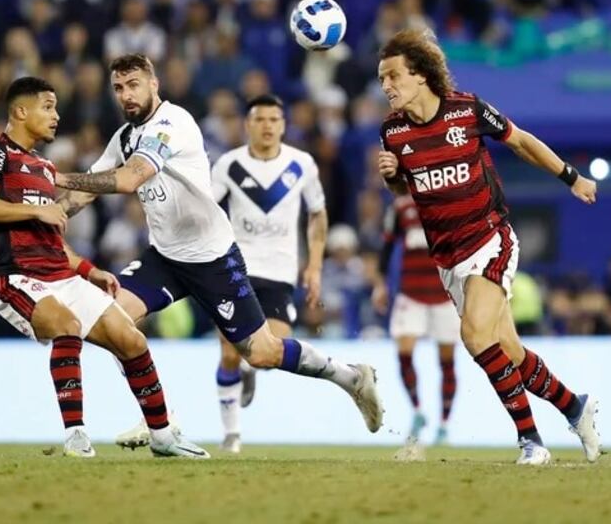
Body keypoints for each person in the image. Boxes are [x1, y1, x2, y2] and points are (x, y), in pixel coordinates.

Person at [53, 54, 383, 449]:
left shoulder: (172, 125)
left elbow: (128, 179)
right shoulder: (124, 136)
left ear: (154, 84)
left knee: (261, 354)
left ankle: (351, 377)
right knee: (110, 319)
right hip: (165, 257)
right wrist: (47, 209)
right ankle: (160, 421)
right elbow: (86, 190)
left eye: (134, 84)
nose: (126, 94)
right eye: (119, 87)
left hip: (212, 258)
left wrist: (54, 173)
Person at [376, 29, 600, 465]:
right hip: (448, 257)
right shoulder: (392, 133)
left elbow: (520, 141)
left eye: (393, 76)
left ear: (420, 75)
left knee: (474, 335)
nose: (386, 86)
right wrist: (391, 178)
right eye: (382, 79)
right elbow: (407, 190)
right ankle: (575, 405)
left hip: (489, 238)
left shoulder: (467, 110)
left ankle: (532, 442)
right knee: (508, 352)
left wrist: (571, 177)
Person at [0, 76, 208, 458]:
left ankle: (162, 435)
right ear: (20, 111)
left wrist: (88, 269)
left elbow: (50, 236)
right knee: (67, 326)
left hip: (60, 274)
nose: (56, 115)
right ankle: (76, 435)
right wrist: (36, 208)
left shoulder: (44, 167)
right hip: (16, 276)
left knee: (131, 340)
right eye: (48, 106)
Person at [204, 94, 328, 454]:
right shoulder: (229, 165)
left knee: (271, 354)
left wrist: (315, 265)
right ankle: (232, 436)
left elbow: (318, 214)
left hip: (279, 273)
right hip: (235, 270)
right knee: (229, 352)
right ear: (248, 124)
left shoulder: (301, 165)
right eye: (260, 119)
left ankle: (249, 373)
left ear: (284, 125)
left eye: (275, 119)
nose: (268, 126)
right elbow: (208, 210)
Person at [372, 194, 458, 446]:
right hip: (411, 294)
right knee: (404, 352)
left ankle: (443, 426)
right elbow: (387, 247)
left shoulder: (450, 202)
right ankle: (418, 410)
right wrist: (380, 285)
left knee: (447, 362)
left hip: (444, 296)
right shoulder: (401, 207)